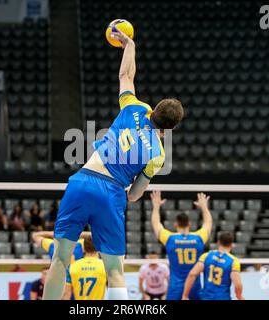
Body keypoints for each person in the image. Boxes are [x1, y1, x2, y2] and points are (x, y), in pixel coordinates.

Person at [43, 29, 183, 300]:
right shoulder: (158, 155)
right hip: (112, 193)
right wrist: (128, 192)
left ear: (154, 109)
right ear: (172, 128)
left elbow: (126, 75)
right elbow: (135, 195)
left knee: (60, 258)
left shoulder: (135, 109)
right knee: (115, 270)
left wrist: (130, 44)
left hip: (84, 180)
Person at [150, 191, 212, 300]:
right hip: (194, 286)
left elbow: (156, 224)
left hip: (176, 287)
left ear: (175, 224)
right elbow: (208, 223)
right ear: (189, 224)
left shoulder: (170, 239)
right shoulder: (198, 238)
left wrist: (156, 206)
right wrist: (204, 207)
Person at [182, 232, 244, 300]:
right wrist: (239, 296)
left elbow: (192, 274)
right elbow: (237, 284)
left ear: (218, 242)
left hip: (206, 297)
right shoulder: (233, 261)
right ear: (231, 245)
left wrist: (185, 295)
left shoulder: (206, 256)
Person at [63, 235, 107, 300]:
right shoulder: (105, 266)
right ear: (99, 248)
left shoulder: (72, 266)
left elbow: (66, 295)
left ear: (83, 248)